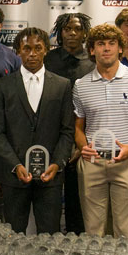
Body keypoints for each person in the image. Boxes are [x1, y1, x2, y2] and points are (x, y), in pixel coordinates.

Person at [73, 24, 128, 238]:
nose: (106, 48)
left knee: (126, 231)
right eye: (100, 44)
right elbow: (77, 127)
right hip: (93, 163)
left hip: (126, 161)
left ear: (120, 48)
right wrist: (84, 147)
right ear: (92, 50)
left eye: (112, 43)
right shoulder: (81, 85)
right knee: (93, 232)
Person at [0, 28, 74, 234]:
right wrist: (14, 165)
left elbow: (67, 131)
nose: (32, 54)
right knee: (13, 238)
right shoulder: (3, 85)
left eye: (38, 48)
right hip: (14, 177)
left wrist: (57, 164)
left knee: (50, 238)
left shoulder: (62, 85)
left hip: (50, 177)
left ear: (46, 50)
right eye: (26, 48)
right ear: (18, 51)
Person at [45, 12, 95, 235]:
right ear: (59, 32)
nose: (72, 33)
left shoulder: (93, 63)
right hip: (51, 140)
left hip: (84, 143)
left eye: (77, 29)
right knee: (49, 202)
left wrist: (79, 143)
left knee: (80, 203)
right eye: (67, 29)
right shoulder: (48, 60)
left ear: (85, 32)